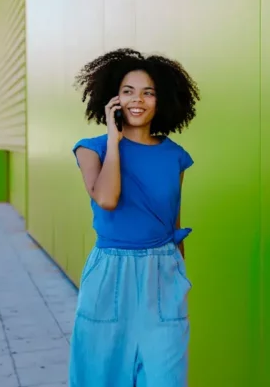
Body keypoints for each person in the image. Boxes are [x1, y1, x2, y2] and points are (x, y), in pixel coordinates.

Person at [68, 48, 200, 386]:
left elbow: (173, 222)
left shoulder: (175, 156)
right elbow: (107, 199)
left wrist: (179, 278)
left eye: (148, 92)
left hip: (163, 272)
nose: (137, 100)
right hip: (111, 273)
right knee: (101, 376)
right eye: (127, 91)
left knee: (165, 377)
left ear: (162, 100)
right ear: (113, 98)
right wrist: (114, 141)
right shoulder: (91, 149)